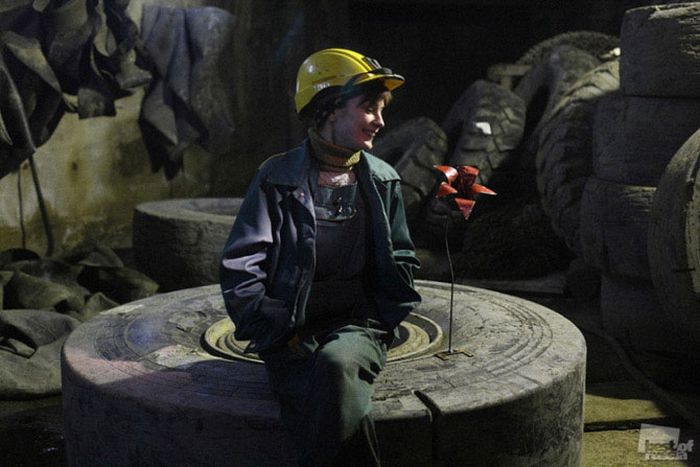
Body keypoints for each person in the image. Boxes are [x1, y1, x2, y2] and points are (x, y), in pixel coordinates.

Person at [220, 48, 421, 467]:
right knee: (326, 397)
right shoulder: (277, 177)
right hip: (290, 331)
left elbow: (402, 256)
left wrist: (386, 313)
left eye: (381, 110)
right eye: (369, 108)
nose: (380, 121)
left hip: (359, 327)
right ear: (329, 108)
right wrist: (271, 323)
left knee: (334, 364)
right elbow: (242, 263)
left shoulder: (383, 180)